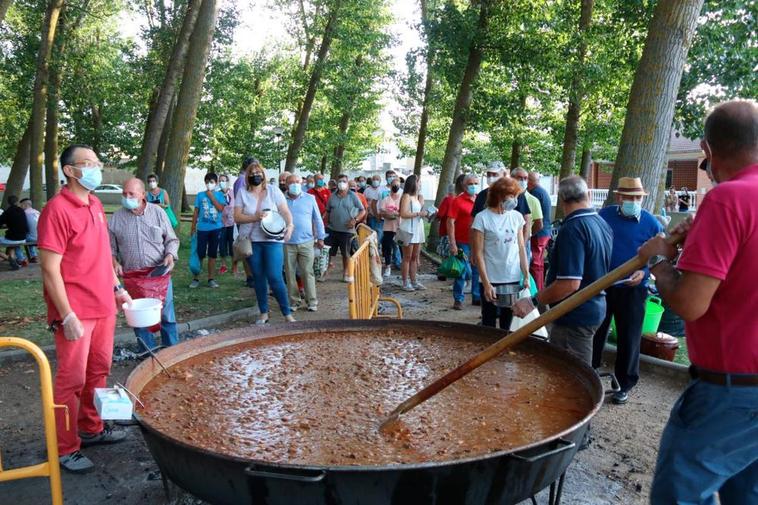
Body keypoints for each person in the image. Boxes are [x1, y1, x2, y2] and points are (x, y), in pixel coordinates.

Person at [638, 100, 758, 504]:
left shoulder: (727, 200)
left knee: (680, 494)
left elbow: (690, 304)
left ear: (707, 149)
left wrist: (657, 258)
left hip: (732, 392)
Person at [37, 144, 131, 472]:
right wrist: (66, 315)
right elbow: (49, 268)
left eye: (97, 162)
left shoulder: (93, 203)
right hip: (75, 312)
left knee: (98, 371)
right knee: (71, 380)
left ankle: (90, 429)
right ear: (70, 170)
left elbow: (103, 255)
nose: (96, 168)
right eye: (88, 163)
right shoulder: (56, 210)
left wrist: (117, 289)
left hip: (104, 305)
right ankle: (64, 447)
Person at [513, 176, 612, 366]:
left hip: (574, 315)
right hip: (595, 308)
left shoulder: (573, 229)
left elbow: (569, 284)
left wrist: (533, 301)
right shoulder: (600, 223)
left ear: (562, 199)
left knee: (570, 373)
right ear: (587, 194)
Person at [591, 177, 664, 405]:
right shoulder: (604, 216)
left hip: (633, 289)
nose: (634, 201)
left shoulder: (652, 224)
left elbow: (660, 257)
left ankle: (625, 383)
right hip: (604, 284)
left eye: (637, 198)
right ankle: (590, 373)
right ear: (619, 197)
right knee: (596, 331)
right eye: (629, 197)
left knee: (629, 336)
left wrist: (644, 272)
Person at [109, 178, 180, 352]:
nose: (127, 197)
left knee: (166, 315)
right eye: (124, 194)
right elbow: (109, 247)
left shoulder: (158, 213)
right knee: (138, 318)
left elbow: (172, 239)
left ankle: (172, 353)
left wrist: (170, 254)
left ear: (142, 194)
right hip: (133, 276)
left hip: (158, 274)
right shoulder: (116, 218)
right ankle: (146, 355)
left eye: (131, 194)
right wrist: (114, 261)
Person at [234, 159, 296, 324]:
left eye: (258, 172)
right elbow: (237, 216)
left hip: (272, 239)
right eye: (252, 173)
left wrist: (290, 225)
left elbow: (285, 211)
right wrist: (255, 217)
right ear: (247, 176)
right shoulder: (242, 192)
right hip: (252, 241)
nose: (256, 175)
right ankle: (264, 313)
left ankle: (287, 313)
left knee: (275, 276)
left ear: (263, 174)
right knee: (259, 277)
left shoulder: (273, 191)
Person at [472, 177, 529, 328]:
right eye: (512, 196)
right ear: (499, 196)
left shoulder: (516, 217)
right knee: (489, 321)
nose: (515, 200)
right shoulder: (482, 218)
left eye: (516, 196)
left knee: (508, 322)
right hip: (491, 277)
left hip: (512, 277)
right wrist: (486, 283)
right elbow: (478, 253)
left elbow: (521, 247)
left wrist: (526, 275)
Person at [284, 174, 325, 312]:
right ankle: (294, 301)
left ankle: (312, 301)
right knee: (289, 273)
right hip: (287, 242)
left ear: (301, 183)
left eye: (297, 181)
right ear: (286, 185)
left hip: (307, 241)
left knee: (308, 272)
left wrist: (320, 237)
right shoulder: (281, 200)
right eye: (291, 182)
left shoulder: (310, 198)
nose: (295, 184)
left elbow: (318, 219)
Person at [325, 174, 366, 282]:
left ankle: (346, 273)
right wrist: (326, 225)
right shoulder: (332, 196)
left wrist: (355, 220)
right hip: (332, 229)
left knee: (346, 253)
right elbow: (328, 211)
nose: (341, 183)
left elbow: (362, 210)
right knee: (328, 252)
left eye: (344, 181)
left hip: (347, 230)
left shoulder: (353, 196)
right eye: (340, 181)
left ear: (347, 183)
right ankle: (325, 272)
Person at [448, 174, 479, 310]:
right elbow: (450, 222)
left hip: (477, 241)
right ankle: (458, 299)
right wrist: (452, 243)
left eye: (476, 183)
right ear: (464, 185)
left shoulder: (480, 200)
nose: (473, 186)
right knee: (462, 271)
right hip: (462, 242)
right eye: (471, 183)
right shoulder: (457, 201)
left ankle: (477, 296)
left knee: (477, 270)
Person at [190, 172, 226, 288]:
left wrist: (211, 196)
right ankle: (196, 278)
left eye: (212, 182)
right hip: (202, 229)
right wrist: (193, 227)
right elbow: (196, 211)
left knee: (212, 254)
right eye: (207, 182)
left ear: (216, 183)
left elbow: (220, 208)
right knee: (200, 253)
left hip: (216, 228)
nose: (209, 184)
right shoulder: (200, 195)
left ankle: (211, 279)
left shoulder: (220, 195)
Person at [398, 174, 427, 291]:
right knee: (407, 257)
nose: (420, 184)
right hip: (408, 229)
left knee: (415, 257)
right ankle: (405, 282)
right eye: (419, 182)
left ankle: (414, 280)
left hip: (418, 228)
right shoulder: (406, 196)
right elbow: (403, 213)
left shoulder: (417, 197)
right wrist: (418, 214)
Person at [527, 172, 552, 290]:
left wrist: (530, 233)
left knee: (536, 264)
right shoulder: (542, 191)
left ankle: (537, 291)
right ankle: (539, 289)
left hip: (539, 233)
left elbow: (537, 219)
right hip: (544, 232)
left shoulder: (535, 193)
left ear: (529, 181)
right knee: (539, 264)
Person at [512, 168, 543, 257]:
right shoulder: (506, 197)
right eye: (520, 178)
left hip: (523, 241)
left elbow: (539, 223)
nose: (523, 181)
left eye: (525, 178)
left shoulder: (533, 200)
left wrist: (528, 234)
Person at [378, 178, 402, 277]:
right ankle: (388, 266)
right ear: (391, 186)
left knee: (401, 246)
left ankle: (402, 265)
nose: (395, 186)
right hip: (388, 227)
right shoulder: (386, 199)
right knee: (387, 247)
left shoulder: (402, 199)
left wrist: (395, 214)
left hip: (400, 227)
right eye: (394, 185)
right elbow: (381, 212)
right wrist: (389, 215)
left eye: (397, 185)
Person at [0, 195, 29, 270]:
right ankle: (14, 261)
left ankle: (10, 259)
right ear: (17, 202)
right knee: (11, 244)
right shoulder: (22, 211)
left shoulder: (8, 212)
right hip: (23, 238)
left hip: (13, 238)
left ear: (8, 202)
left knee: (9, 240)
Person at [217, 174, 235, 275]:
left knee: (232, 244)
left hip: (232, 223)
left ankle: (234, 265)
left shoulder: (233, 193)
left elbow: (235, 206)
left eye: (223, 180)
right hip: (221, 224)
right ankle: (223, 265)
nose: (222, 182)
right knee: (222, 244)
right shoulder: (217, 194)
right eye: (220, 181)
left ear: (228, 182)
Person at [364, 174, 384, 244]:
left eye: (377, 179)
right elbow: (364, 203)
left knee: (380, 234)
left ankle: (377, 248)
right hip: (371, 215)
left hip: (380, 216)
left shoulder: (383, 190)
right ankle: (372, 249)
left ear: (380, 181)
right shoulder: (367, 190)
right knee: (371, 233)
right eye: (374, 179)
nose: (375, 181)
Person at [19, 198, 40, 263]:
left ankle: (21, 258)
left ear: (25, 205)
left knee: (16, 239)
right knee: (30, 234)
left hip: (31, 238)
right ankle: (34, 256)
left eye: (21, 205)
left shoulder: (23, 214)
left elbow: (21, 226)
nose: (20, 207)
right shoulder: (37, 212)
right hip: (42, 237)